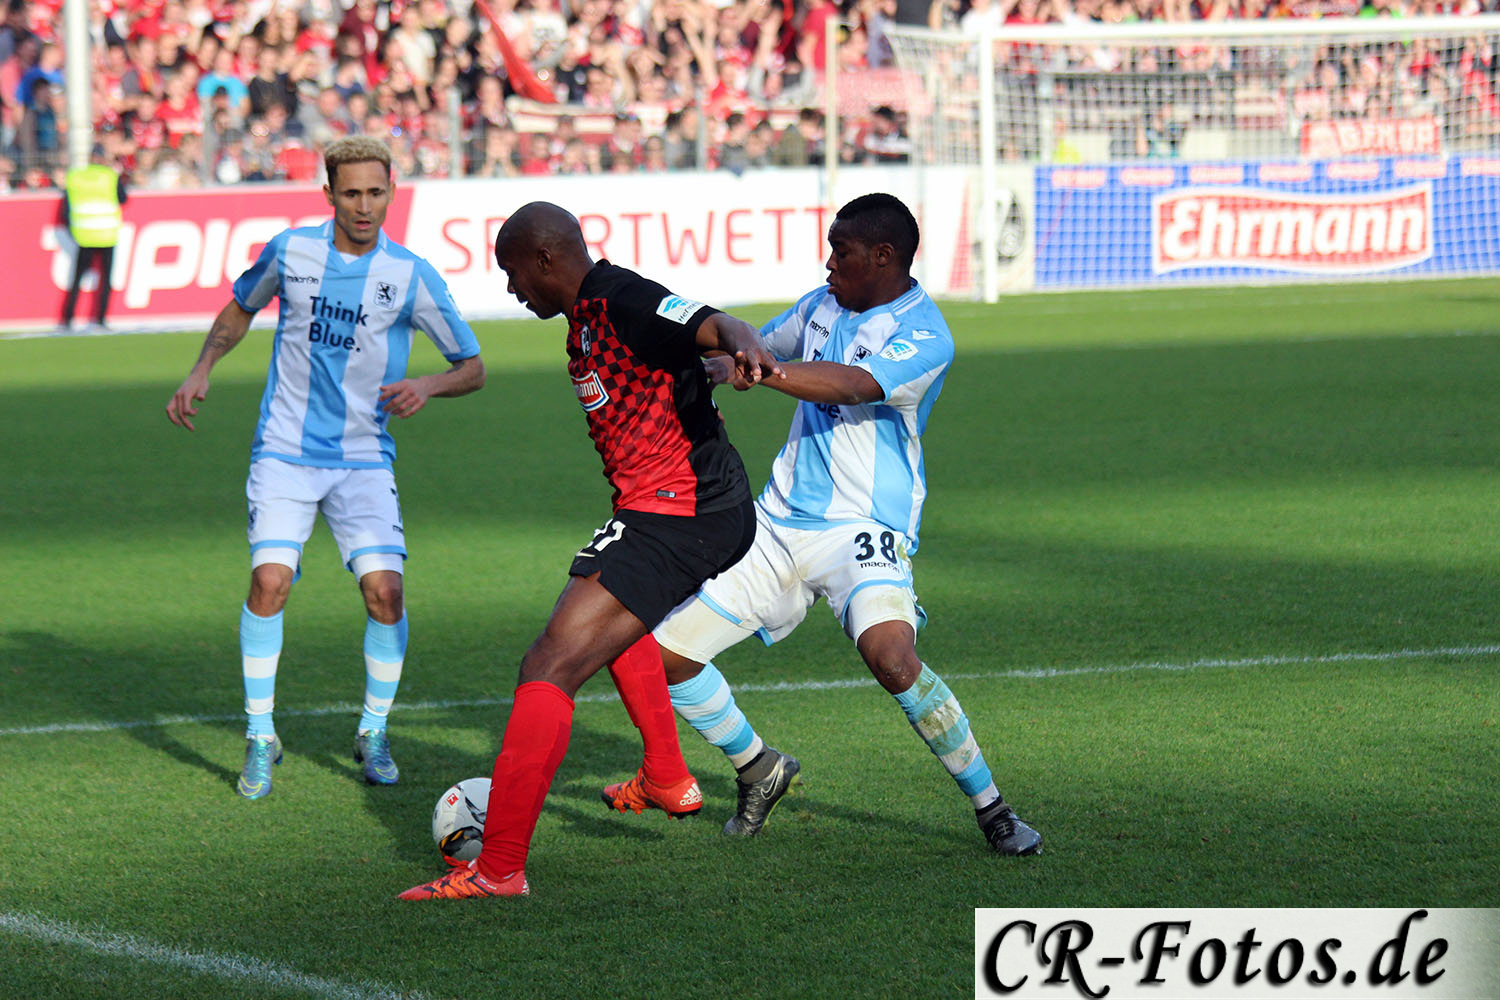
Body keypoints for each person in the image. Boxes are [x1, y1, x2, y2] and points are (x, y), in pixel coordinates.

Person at [605, 193, 1043, 855]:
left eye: (842, 251)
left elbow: (853, 384)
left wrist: (762, 371)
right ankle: (758, 766)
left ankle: (993, 809)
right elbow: (756, 346)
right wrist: (706, 364)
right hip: (776, 523)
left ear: (883, 256)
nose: (829, 262)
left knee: (893, 659)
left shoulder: (926, 334)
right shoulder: (821, 305)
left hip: (862, 529)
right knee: (665, 656)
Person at [398, 201, 782, 900]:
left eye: (513, 272)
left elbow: (710, 322)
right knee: (609, 621)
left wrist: (742, 341)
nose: (512, 288)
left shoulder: (620, 298)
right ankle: (667, 778)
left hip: (686, 510)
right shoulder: (584, 320)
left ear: (545, 258)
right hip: (666, 507)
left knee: (550, 661)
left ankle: (498, 870)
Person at [164, 135, 485, 800]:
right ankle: (260, 735)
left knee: (385, 594)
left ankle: (373, 731)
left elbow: (473, 367)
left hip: (364, 458)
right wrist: (201, 368)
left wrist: (427, 385)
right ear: (329, 195)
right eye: (351, 193)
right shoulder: (291, 251)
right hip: (284, 451)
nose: (364, 206)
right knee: (270, 582)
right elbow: (241, 307)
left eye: (375, 192)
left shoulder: (411, 275)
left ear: (391, 191)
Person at [60, 146, 127, 331]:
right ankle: (101, 318)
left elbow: (66, 205)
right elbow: (122, 198)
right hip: (106, 234)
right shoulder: (110, 176)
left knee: (77, 278)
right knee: (106, 279)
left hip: (84, 234)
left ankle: (68, 317)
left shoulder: (76, 176)